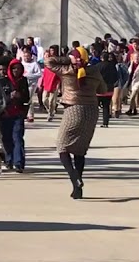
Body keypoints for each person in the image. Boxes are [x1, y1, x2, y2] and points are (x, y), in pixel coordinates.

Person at [46, 49, 108, 199]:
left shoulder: (67, 70)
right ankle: (77, 189)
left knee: (62, 146)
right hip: (92, 111)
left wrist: (69, 60)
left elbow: (48, 61)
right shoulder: (94, 71)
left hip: (74, 109)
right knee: (80, 150)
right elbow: (103, 89)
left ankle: (75, 178)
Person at [0, 58, 30, 172]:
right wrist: (9, 97)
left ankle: (18, 163)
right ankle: (9, 160)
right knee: (6, 138)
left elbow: (27, 97)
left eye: (19, 68)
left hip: (18, 114)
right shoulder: (2, 81)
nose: (16, 70)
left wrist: (20, 96)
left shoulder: (23, 81)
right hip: (5, 114)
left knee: (17, 138)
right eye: (14, 68)